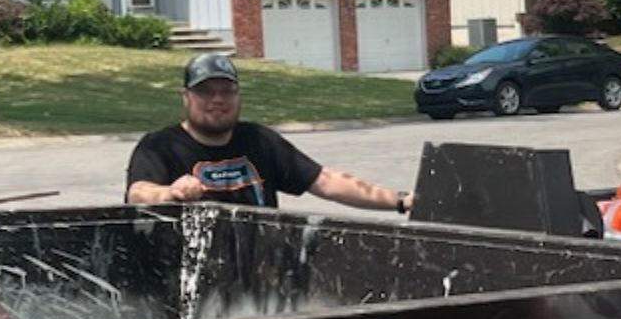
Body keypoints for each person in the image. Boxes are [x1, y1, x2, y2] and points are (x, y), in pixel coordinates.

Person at [125, 53, 414, 213]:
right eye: (205, 92)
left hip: (258, 275)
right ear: (186, 97)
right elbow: (138, 192)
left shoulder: (259, 141)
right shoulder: (160, 146)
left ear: (239, 96)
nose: (217, 100)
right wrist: (171, 192)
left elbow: (325, 181)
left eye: (227, 91)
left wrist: (400, 200)